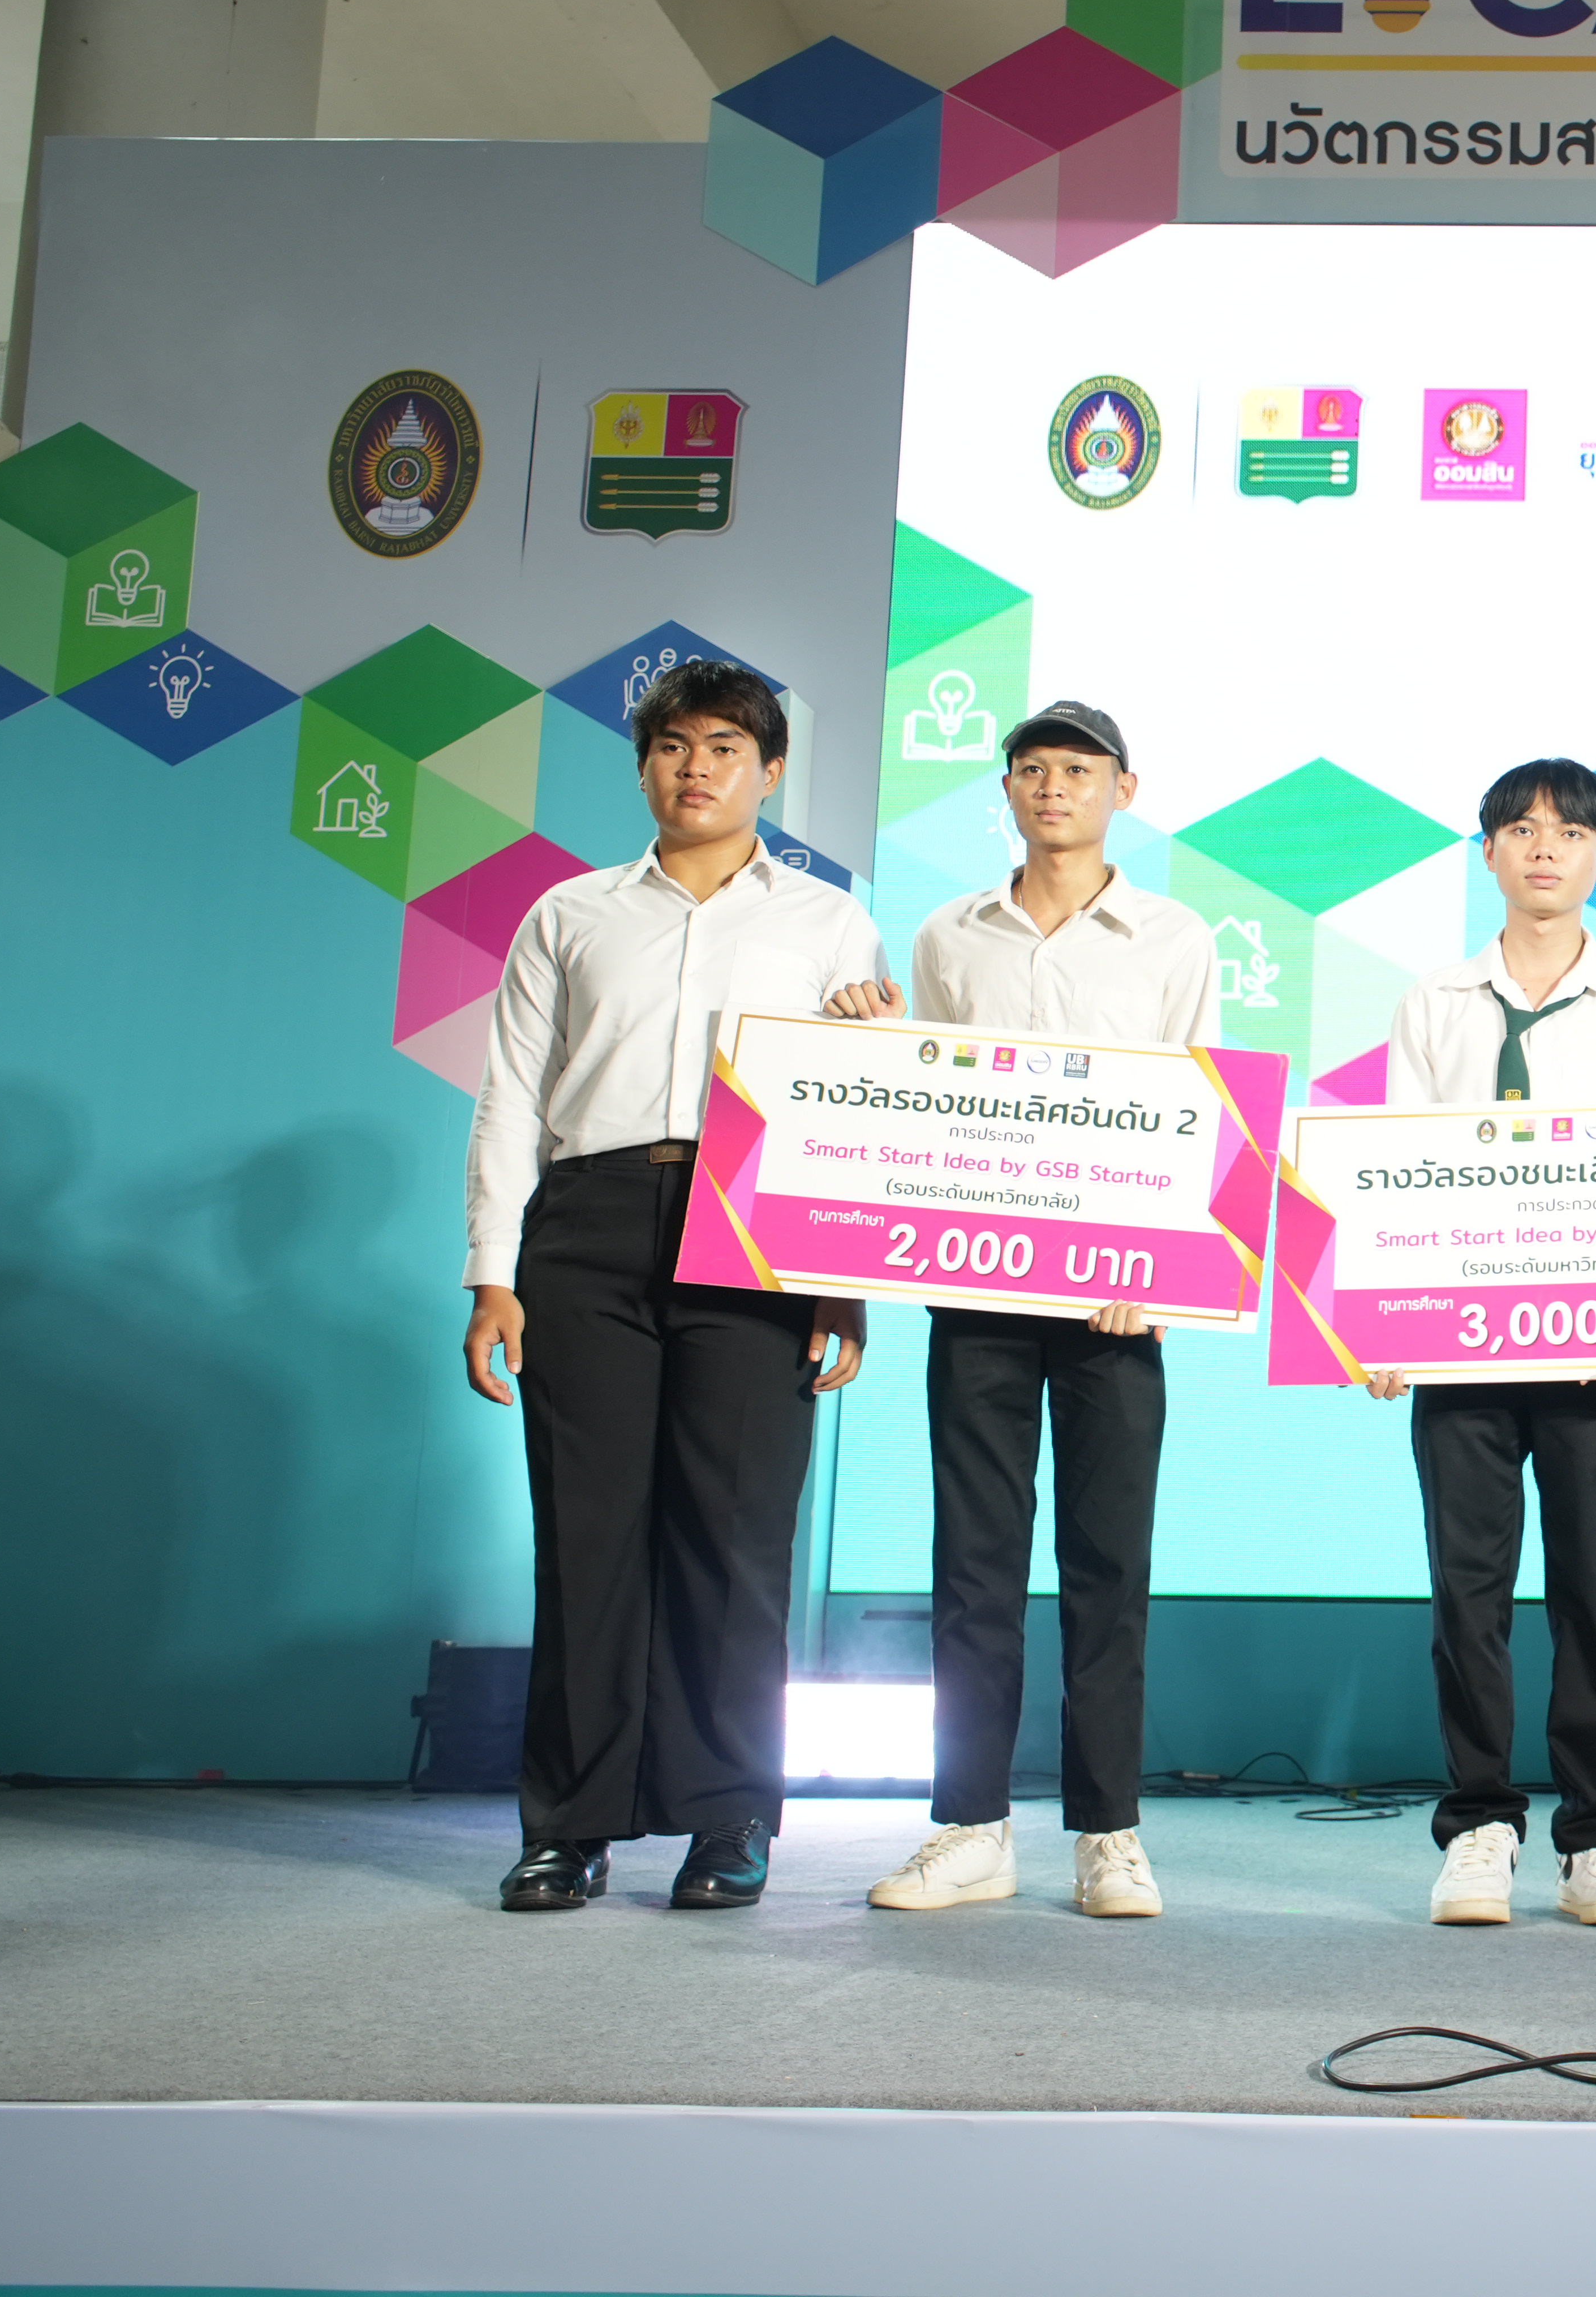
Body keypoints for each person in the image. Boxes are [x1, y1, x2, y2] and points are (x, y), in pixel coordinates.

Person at [462, 660, 880, 1913]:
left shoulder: (828, 923)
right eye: (673, 746)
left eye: (725, 748)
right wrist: (491, 1272)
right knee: (585, 1537)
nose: (697, 768)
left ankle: (728, 1817)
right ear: (645, 765)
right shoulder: (570, 912)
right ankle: (569, 1825)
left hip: (756, 1232)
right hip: (586, 1223)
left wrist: (842, 1282)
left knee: (737, 1541)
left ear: (771, 770)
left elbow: (853, 1111)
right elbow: (510, 1097)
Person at [826, 702, 1218, 1924]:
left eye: (1078, 770)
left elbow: (1201, 1106)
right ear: (1005, 789)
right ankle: (970, 1827)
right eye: (1033, 770)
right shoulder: (949, 933)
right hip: (979, 1285)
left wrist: (1157, 1269)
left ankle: (1109, 1834)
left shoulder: (1174, 936)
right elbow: (934, 1100)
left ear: (1123, 789)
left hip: (1117, 1305)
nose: (1054, 788)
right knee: (974, 1563)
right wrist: (871, 1047)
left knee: (1109, 1567)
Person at [1365, 760, 1596, 1930]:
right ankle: (1480, 1823)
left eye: (1569, 831)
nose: (1544, 847)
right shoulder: (1434, 1001)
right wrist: (1384, 1317)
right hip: (1461, 1349)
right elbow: (1396, 1164)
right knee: (1469, 1595)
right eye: (1520, 828)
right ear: (1488, 851)